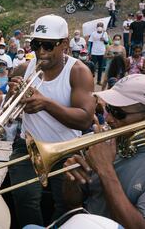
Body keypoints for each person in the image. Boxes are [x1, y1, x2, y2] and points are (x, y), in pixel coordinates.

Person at [8, 14, 95, 227]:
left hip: (65, 148)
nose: (40, 52)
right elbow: (12, 109)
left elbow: (84, 120)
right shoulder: (25, 68)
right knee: (24, 197)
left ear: (64, 44)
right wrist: (13, 95)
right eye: (36, 45)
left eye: (48, 45)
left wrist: (46, 104)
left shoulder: (78, 72)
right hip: (27, 145)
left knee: (67, 205)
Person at [62, 74, 145, 229]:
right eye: (109, 109)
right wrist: (71, 181)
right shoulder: (109, 144)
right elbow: (73, 204)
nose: (108, 119)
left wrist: (106, 170)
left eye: (119, 113)